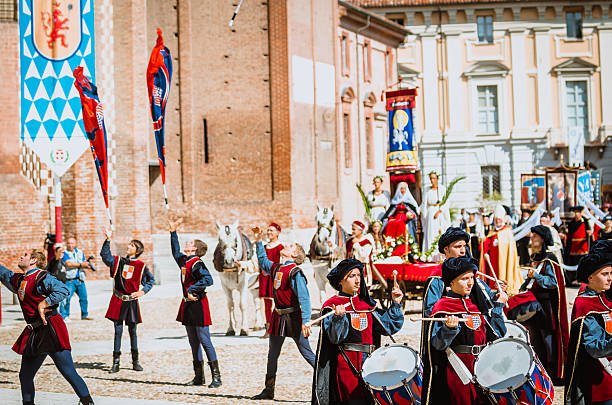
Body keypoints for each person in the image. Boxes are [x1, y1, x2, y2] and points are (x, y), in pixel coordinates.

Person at [0, 249, 94, 405]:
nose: (21, 256)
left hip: (51, 328)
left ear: (33, 260)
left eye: (25, 255)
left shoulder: (43, 277)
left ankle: (88, 402)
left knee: (68, 371)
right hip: (34, 331)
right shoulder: (19, 279)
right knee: (25, 375)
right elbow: (4, 274)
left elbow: (63, 290)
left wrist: (44, 303)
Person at [420, 228, 503, 399]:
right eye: (458, 246)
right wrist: (449, 322)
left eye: (464, 246)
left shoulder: (472, 275)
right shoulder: (437, 279)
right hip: (452, 351)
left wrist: (496, 297)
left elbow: (485, 301)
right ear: (446, 250)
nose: (463, 250)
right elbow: (432, 317)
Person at [311, 258, 404, 405]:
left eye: (359, 275)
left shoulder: (366, 305)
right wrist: (339, 318)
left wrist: (396, 304)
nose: (357, 280)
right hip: (346, 367)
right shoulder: (332, 306)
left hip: (371, 366)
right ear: (341, 281)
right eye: (352, 276)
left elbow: (389, 327)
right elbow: (334, 338)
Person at [251, 226, 315, 400]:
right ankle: (268, 390)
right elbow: (263, 262)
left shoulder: (296, 273)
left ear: (293, 255)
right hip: (278, 316)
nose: (287, 245)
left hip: (294, 318)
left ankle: (329, 383)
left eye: (291, 246)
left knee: (307, 353)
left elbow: (305, 299)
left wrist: (306, 321)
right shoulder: (277, 267)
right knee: (272, 354)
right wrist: (258, 241)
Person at [168, 218, 222, 388]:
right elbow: (175, 252)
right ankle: (199, 377)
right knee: (193, 341)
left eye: (190, 243)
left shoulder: (198, 263)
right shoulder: (185, 261)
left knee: (205, 340)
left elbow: (208, 279)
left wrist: (192, 290)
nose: (187, 244)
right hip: (187, 305)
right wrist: (172, 232)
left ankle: (216, 377)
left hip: (198, 304)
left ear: (195, 249)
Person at [516, 226, 569, 384]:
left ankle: (553, 372)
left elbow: (552, 283)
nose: (532, 238)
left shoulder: (549, 259)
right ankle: (541, 371)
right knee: (536, 339)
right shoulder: (535, 258)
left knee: (548, 341)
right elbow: (531, 281)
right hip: (535, 304)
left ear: (543, 240)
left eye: (535, 236)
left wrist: (537, 276)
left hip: (547, 307)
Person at [100, 229, 154, 373]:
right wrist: (108, 240)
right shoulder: (118, 261)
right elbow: (105, 257)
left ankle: (135, 361)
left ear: (136, 251)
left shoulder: (141, 266)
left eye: (131, 246)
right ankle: (116, 362)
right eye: (129, 245)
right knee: (118, 331)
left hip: (131, 301)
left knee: (132, 331)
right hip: (118, 300)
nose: (128, 247)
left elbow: (150, 281)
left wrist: (142, 291)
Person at [564, 249, 612, 405]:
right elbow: (594, 348)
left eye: (611, 273)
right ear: (590, 277)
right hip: (601, 382)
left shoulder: (604, 297)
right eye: (605, 274)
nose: (610, 278)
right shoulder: (585, 305)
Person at [480, 204, 522, 295]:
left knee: (502, 273)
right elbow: (486, 245)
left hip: (503, 260)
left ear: (503, 220)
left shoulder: (507, 232)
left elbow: (510, 250)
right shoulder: (492, 232)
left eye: (499, 219)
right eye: (496, 220)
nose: (497, 221)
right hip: (492, 259)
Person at [61, 237, 95, 321]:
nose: (70, 245)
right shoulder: (64, 253)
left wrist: (88, 265)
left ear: (75, 244)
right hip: (70, 279)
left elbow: (83, 262)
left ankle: (84, 315)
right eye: (68, 243)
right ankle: (65, 316)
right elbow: (68, 264)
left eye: (72, 243)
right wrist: (81, 265)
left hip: (80, 279)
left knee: (84, 298)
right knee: (67, 298)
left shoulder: (80, 252)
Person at [261, 222, 284, 338]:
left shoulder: (281, 248)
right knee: (266, 303)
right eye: (268, 230)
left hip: (275, 278)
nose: (269, 232)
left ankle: (278, 328)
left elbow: (281, 265)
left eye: (272, 230)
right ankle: (268, 328)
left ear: (278, 233)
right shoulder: (264, 248)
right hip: (264, 278)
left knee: (278, 303)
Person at [420, 171, 450, 254]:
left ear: (437, 179)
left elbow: (446, 202)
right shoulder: (426, 190)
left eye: (433, 178)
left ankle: (439, 254)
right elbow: (424, 203)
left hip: (439, 212)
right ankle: (430, 253)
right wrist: (423, 212)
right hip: (430, 212)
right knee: (430, 233)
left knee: (439, 232)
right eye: (431, 178)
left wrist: (439, 211)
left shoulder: (442, 189)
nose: (432, 180)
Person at [565, 206, 592, 286]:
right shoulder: (571, 223)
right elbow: (569, 235)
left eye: (578, 212)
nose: (576, 214)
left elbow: (588, 232)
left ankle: (583, 278)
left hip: (583, 246)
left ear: (580, 213)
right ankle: (575, 278)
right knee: (574, 262)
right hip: (574, 246)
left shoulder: (585, 221)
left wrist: (589, 233)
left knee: (583, 262)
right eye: (575, 212)